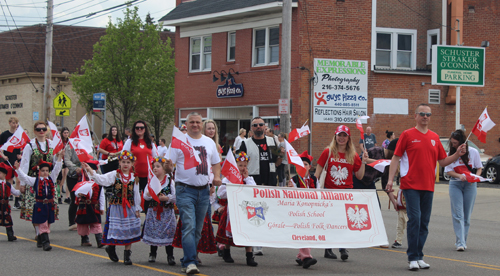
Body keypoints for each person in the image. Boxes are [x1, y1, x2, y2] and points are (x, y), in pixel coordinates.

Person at [386, 103, 467, 271]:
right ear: (415, 116)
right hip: (410, 185)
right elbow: (395, 158)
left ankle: (419, 255)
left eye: (428, 114)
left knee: (424, 222)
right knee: (414, 219)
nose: (425, 117)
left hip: (428, 186)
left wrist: (457, 154)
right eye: (422, 114)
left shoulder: (434, 137)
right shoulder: (408, 135)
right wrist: (390, 180)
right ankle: (412, 257)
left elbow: (443, 161)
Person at [167, 112, 221, 275]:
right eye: (192, 122)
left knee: (197, 229)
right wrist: (169, 167)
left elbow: (216, 162)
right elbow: (169, 164)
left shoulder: (209, 142)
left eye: (198, 122)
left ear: (201, 124)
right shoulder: (178, 141)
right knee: (189, 225)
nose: (195, 125)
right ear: (187, 124)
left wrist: (217, 177)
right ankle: (190, 261)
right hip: (184, 190)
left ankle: (187, 259)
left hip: (204, 191)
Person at [314, 125, 368, 261]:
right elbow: (317, 173)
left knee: (344, 221)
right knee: (331, 221)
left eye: (344, 135)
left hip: (346, 192)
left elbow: (360, 176)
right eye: (339, 135)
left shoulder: (353, 155)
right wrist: (313, 188)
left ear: (348, 138)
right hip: (330, 192)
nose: (342, 138)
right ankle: (328, 248)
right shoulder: (328, 152)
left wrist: (364, 163)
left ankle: (342, 247)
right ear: (335, 136)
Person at [83, 151, 142, 265]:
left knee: (129, 231)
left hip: (129, 207)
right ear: (119, 162)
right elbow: (101, 179)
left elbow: (136, 194)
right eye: (123, 162)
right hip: (116, 207)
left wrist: (137, 209)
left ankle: (127, 255)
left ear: (132, 164)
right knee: (115, 230)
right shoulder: (115, 174)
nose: (125, 164)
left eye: (128, 162)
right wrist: (90, 170)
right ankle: (111, 248)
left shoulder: (134, 177)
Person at [238, 117, 281, 255]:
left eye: (260, 125)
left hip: (269, 180)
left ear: (265, 127)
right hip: (253, 180)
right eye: (255, 125)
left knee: (267, 212)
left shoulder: (271, 141)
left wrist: (281, 155)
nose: (258, 127)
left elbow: (277, 159)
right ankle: (255, 243)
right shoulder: (246, 143)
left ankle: (261, 240)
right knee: (254, 212)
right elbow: (239, 161)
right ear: (251, 128)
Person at [215, 151, 258, 267]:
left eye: (245, 165)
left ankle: (249, 256)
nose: (243, 168)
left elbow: (253, 191)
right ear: (235, 165)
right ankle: (227, 252)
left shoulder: (249, 179)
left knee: (247, 232)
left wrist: (246, 178)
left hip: (245, 210)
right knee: (229, 233)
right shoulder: (228, 179)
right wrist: (231, 184)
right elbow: (220, 194)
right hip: (232, 209)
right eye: (240, 165)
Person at [15, 150, 64, 251]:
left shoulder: (51, 178)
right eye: (43, 171)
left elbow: (57, 169)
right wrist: (18, 169)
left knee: (48, 223)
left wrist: (60, 158)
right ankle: (46, 243)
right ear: (39, 171)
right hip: (40, 205)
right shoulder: (35, 180)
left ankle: (40, 239)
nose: (45, 172)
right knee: (42, 224)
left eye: (46, 170)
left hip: (49, 205)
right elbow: (24, 177)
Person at [444, 129, 482, 252]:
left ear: (462, 142)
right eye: (452, 143)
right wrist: (459, 176)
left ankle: (463, 240)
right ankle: (460, 242)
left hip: (470, 185)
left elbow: (479, 168)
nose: (453, 145)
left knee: (466, 216)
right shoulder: (452, 154)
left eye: (455, 143)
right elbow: (448, 170)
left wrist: (475, 177)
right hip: (455, 184)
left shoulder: (473, 152)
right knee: (458, 214)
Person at [19, 121, 57, 223]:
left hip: (48, 179)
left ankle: (46, 229)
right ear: (34, 131)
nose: (41, 131)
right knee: (35, 205)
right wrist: (22, 183)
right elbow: (25, 164)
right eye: (38, 129)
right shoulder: (30, 145)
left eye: (44, 129)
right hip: (34, 179)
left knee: (48, 204)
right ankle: (38, 231)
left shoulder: (52, 144)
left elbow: (55, 162)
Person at [142, 157, 176, 265]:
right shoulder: (151, 181)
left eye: (158, 166)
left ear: (164, 169)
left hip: (167, 212)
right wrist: (149, 194)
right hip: (154, 211)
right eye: (154, 166)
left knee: (168, 233)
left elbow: (176, 196)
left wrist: (166, 198)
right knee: (154, 232)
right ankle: (152, 253)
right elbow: (145, 196)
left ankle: (170, 255)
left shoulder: (170, 181)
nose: (155, 168)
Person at [288, 151, 318, 269]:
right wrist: (290, 189)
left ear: (309, 167)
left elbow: (319, 194)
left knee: (309, 233)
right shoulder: (294, 180)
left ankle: (301, 255)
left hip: (312, 210)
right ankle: (306, 257)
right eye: (300, 164)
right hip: (299, 210)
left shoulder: (314, 180)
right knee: (304, 233)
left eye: (305, 164)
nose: (303, 166)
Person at [122, 120, 158, 213]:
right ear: (134, 129)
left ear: (145, 129)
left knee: (148, 198)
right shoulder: (130, 142)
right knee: (133, 197)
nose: (139, 129)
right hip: (134, 175)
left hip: (148, 175)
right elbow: (124, 156)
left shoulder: (150, 143)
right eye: (137, 128)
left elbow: (156, 158)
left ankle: (147, 221)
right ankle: (132, 219)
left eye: (141, 128)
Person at [65, 138, 99, 231]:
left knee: (88, 199)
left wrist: (95, 171)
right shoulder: (70, 146)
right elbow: (67, 160)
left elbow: (94, 159)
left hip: (87, 176)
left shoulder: (89, 146)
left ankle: (87, 220)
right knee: (74, 199)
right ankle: (72, 222)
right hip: (74, 176)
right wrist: (76, 168)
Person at [0, 117, 22, 209]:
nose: (15, 125)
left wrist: (19, 154)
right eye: (13, 123)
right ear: (9, 123)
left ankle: (17, 201)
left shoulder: (18, 135)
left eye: (16, 123)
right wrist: (3, 156)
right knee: (9, 181)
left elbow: (20, 146)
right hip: (7, 160)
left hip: (16, 160)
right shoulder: (5, 135)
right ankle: (7, 199)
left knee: (18, 180)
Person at [0, 162, 21, 241]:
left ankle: (10, 235)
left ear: (5, 174)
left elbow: (15, 192)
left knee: (8, 219)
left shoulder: (8, 184)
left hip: (5, 205)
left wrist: (20, 190)